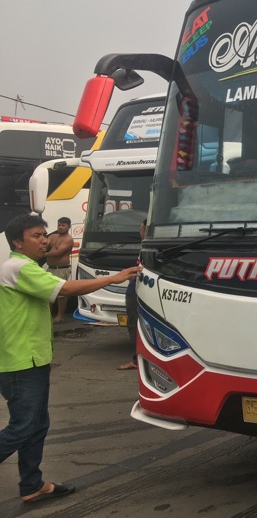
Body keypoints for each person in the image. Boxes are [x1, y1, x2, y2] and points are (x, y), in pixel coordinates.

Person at [0, 213, 141, 504]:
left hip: (32, 359)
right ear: (17, 241)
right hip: (19, 361)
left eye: (44, 234)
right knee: (24, 426)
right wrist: (113, 278)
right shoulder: (18, 267)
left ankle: (32, 485)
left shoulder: (26, 267)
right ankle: (32, 484)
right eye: (36, 236)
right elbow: (65, 289)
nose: (44, 240)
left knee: (37, 425)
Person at [118, 219, 146, 371]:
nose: (139, 232)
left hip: (138, 288)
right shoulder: (145, 247)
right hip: (135, 286)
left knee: (135, 324)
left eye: (141, 229)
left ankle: (138, 360)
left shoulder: (151, 247)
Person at [42, 217, 74, 323]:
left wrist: (42, 254)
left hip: (62, 268)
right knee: (48, 292)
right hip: (51, 268)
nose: (60, 227)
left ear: (69, 226)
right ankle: (47, 314)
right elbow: (44, 245)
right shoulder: (53, 236)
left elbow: (58, 253)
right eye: (59, 225)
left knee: (61, 294)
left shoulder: (68, 239)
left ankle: (60, 316)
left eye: (63, 225)